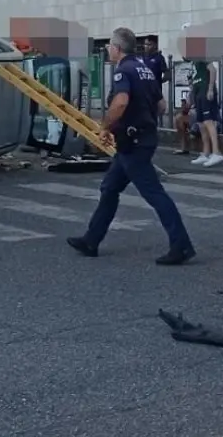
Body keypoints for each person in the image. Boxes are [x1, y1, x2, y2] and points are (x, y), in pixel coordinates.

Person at [68, 27, 196, 266]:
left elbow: (121, 102)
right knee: (110, 187)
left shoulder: (123, 71)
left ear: (116, 48)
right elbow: (161, 106)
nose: (107, 49)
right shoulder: (144, 69)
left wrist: (106, 126)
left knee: (154, 193)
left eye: (109, 46)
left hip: (133, 143)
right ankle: (91, 240)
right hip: (139, 139)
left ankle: (182, 245)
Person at [190, 57, 223, 167]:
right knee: (200, 123)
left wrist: (210, 89)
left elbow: (213, 70)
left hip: (205, 91)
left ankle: (216, 152)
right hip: (198, 92)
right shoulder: (193, 61)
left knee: (208, 122)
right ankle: (206, 153)